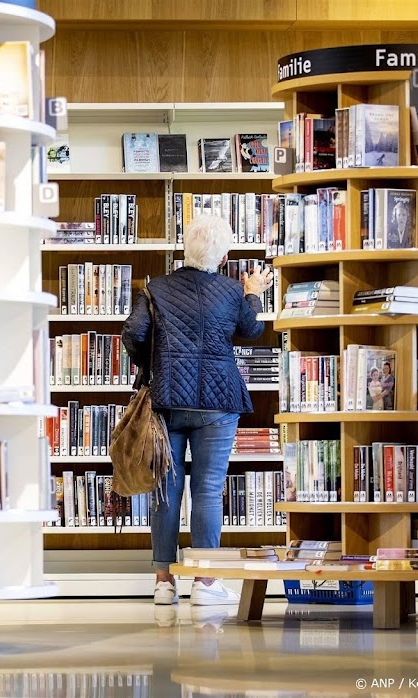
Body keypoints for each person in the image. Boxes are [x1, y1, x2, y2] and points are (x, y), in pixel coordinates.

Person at [122, 215, 272, 607]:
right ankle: (205, 583)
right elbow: (252, 330)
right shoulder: (229, 291)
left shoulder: (157, 288)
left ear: (186, 248)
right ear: (223, 257)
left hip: (167, 398)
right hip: (218, 403)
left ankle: (163, 582)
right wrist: (253, 292)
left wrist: (148, 367)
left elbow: (133, 332)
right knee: (207, 489)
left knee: (165, 489)